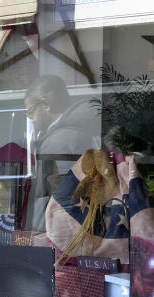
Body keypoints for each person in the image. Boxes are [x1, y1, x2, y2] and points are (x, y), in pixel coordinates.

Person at [23, 75, 100, 231]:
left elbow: (63, 193)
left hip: (64, 227)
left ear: (46, 105)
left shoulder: (57, 142)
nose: (32, 119)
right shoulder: (88, 130)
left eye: (31, 112)